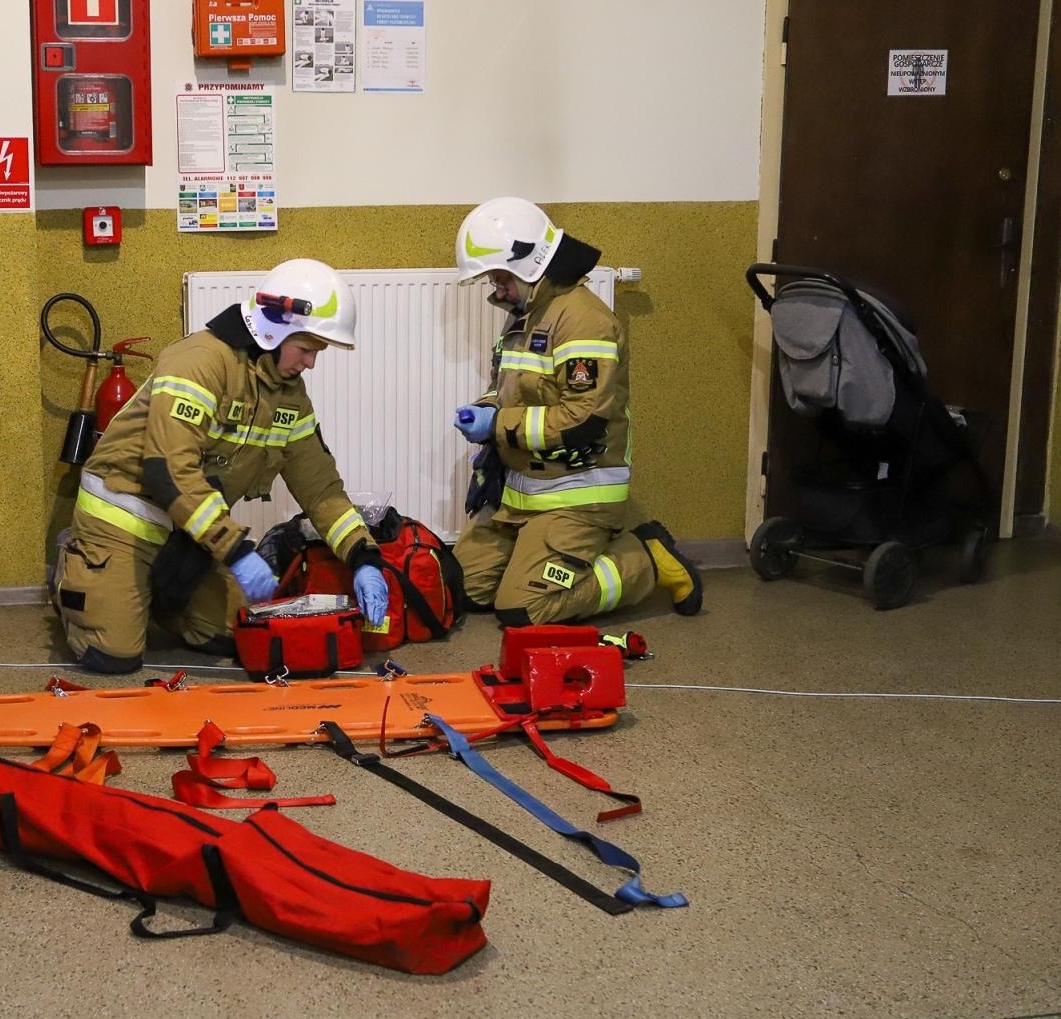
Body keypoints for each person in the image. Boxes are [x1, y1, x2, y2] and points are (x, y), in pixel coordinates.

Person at [54, 258, 390, 673]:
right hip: (125, 518)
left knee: (231, 634)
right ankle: (79, 573)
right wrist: (235, 550)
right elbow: (168, 472)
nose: (311, 364)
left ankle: (153, 592)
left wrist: (363, 557)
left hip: (188, 530)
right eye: (307, 349)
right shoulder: (200, 361)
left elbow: (320, 488)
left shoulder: (289, 395)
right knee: (112, 657)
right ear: (275, 329)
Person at [449, 197, 702, 626]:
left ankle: (646, 559)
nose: (496, 288)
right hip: (521, 497)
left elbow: (583, 420)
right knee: (462, 588)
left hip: (576, 500)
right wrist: (484, 410)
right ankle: (547, 559)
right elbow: (507, 391)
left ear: (529, 265)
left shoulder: (585, 321)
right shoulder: (525, 317)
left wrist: (499, 425)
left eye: (499, 277)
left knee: (523, 609)